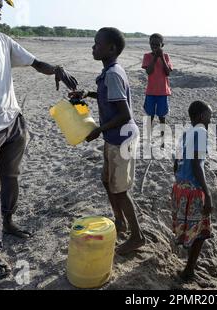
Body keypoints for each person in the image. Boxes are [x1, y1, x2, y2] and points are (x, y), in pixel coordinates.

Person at [0, 0, 78, 279]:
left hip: (14, 124)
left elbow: (35, 63)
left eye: (0, 4)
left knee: (11, 179)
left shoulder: (3, 40)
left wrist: (56, 69)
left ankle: (8, 222)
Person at [69, 27, 145, 255]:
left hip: (122, 138)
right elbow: (109, 98)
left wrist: (98, 130)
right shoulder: (110, 72)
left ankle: (137, 236)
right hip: (113, 138)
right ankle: (119, 222)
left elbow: (125, 114)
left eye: (97, 44)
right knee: (107, 181)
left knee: (120, 189)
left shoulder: (112, 73)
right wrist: (87, 95)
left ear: (111, 48)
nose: (93, 47)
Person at [172, 100, 213, 281]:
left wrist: (182, 182)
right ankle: (188, 271)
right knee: (200, 233)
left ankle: (188, 266)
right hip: (193, 190)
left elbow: (176, 164)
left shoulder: (186, 134)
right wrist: (207, 193)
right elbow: (197, 165)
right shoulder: (202, 132)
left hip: (180, 187)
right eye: (209, 117)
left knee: (189, 227)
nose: (210, 121)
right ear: (200, 117)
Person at [142, 33, 173, 141]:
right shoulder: (147, 56)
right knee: (149, 116)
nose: (154, 47)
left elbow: (167, 72)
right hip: (150, 91)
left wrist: (162, 57)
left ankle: (162, 135)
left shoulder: (166, 56)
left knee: (162, 116)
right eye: (152, 44)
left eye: (157, 45)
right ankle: (148, 137)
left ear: (162, 45)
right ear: (149, 44)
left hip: (163, 92)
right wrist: (155, 57)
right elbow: (149, 71)